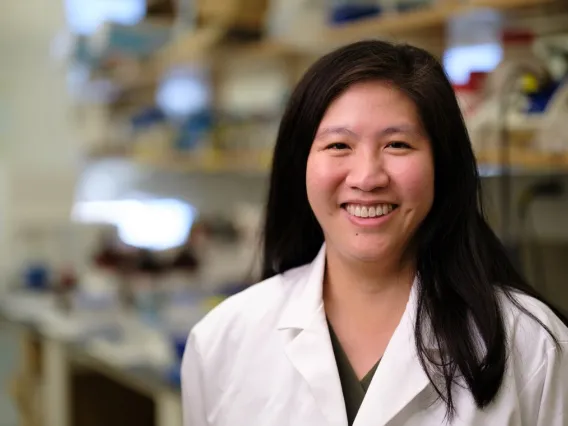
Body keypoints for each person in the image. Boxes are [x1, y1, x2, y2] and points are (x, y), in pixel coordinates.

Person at [181, 40, 568, 426]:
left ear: (442, 166)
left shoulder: (534, 346)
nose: (367, 178)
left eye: (397, 144)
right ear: (300, 164)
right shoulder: (221, 341)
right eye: (338, 145)